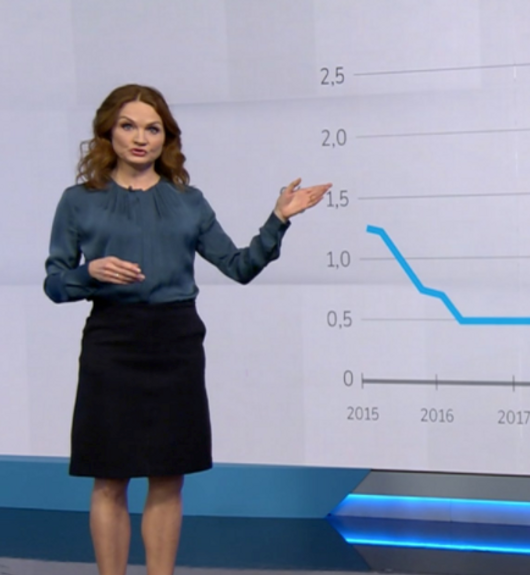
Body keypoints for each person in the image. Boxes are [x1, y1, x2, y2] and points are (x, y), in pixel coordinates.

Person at [42, 84, 330, 575]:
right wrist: (89, 273)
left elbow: (239, 266)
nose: (140, 138)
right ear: (108, 132)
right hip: (112, 343)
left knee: (168, 477)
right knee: (109, 478)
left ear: (166, 138)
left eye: (152, 129)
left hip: (175, 343)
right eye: (129, 126)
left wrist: (278, 219)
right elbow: (55, 283)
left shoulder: (188, 201)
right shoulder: (78, 202)